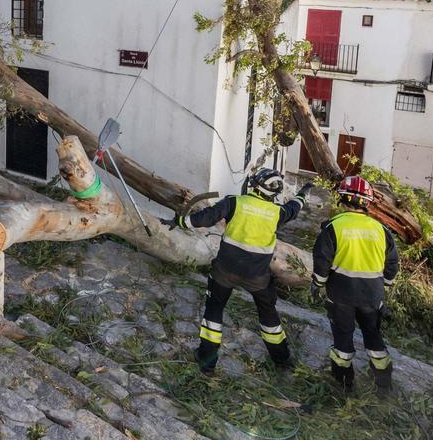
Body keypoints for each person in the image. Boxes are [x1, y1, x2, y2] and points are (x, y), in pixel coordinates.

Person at [162, 168, 311, 374]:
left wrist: (178, 221)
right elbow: (294, 208)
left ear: (255, 186)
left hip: (225, 270)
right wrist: (303, 192)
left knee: (214, 311)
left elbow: (205, 218)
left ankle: (207, 361)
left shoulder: (235, 202)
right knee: (268, 316)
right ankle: (283, 362)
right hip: (258, 276)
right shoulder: (278, 213)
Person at [311, 174, 399, 394]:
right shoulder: (382, 230)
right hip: (372, 294)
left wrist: (318, 284)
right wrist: (385, 285)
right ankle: (383, 383)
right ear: (367, 202)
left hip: (341, 293)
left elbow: (322, 261)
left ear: (342, 198)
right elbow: (392, 263)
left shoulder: (333, 227)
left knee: (343, 336)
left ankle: (343, 384)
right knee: (372, 333)